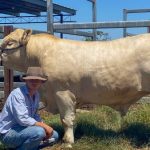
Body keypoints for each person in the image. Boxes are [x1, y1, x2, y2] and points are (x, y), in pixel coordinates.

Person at [0, 67, 59, 150]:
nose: (34, 82)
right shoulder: (17, 94)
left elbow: (34, 115)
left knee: (55, 135)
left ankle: (28, 147)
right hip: (9, 133)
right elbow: (22, 119)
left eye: (37, 80)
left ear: (41, 82)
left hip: (24, 129)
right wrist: (43, 126)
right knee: (39, 133)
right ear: (26, 81)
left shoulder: (36, 94)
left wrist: (44, 126)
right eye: (31, 79)